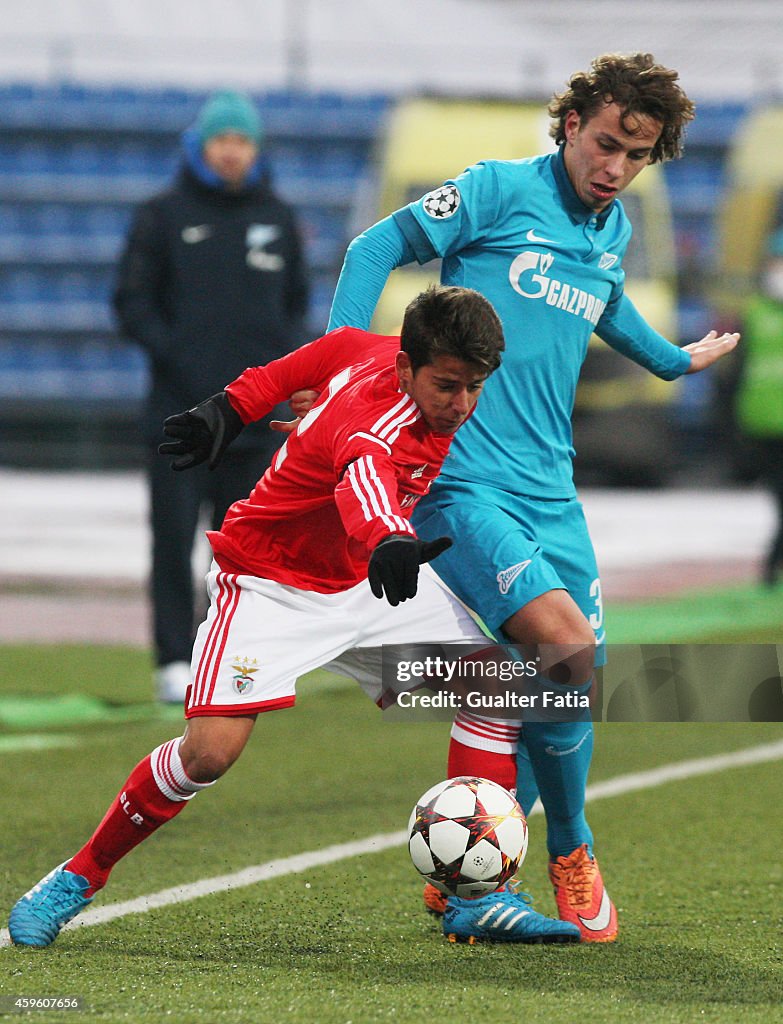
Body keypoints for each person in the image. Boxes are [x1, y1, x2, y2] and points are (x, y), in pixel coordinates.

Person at [9, 286, 580, 948]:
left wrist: (235, 405)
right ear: (406, 368)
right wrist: (388, 537)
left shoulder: (375, 351)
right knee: (208, 755)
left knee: (496, 687)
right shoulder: (379, 421)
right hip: (271, 584)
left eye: (475, 387)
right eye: (449, 386)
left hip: (366, 585)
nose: (463, 405)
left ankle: (474, 897)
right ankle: (79, 875)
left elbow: (322, 354)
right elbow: (362, 473)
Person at [325, 52, 740, 943]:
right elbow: (374, 246)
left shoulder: (613, 229)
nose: (614, 167)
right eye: (604, 144)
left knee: (566, 684)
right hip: (464, 478)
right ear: (571, 124)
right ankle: (568, 848)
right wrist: (338, 374)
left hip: (553, 489)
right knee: (563, 647)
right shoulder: (497, 190)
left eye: (636, 156)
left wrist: (674, 360)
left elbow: (606, 305)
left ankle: (475, 870)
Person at [114, 89, 309, 704]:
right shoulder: (161, 215)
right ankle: (174, 659)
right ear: (201, 146)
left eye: (243, 141)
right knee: (173, 543)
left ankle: (228, 659)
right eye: (223, 140)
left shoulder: (279, 218)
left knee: (244, 549)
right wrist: (181, 357)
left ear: (255, 148)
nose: (233, 152)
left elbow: (295, 306)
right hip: (179, 419)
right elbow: (131, 302)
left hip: (253, 424)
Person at [735, 225, 783, 585]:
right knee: (782, 495)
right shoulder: (754, 312)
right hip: (767, 422)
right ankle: (780, 555)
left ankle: (780, 555)